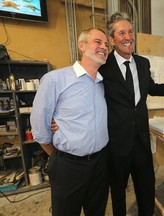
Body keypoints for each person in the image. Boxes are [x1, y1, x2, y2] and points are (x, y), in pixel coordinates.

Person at [99, 12, 164, 215]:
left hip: (141, 140)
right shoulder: (104, 67)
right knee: (118, 193)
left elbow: (153, 88)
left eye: (130, 31)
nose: (128, 37)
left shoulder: (142, 63)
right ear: (112, 39)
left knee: (146, 189)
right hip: (116, 143)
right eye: (121, 33)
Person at [30, 28, 109, 216]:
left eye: (107, 44)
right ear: (82, 46)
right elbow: (39, 126)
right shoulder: (55, 79)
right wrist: (57, 155)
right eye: (98, 42)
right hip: (68, 166)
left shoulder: (102, 83)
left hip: (100, 164)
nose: (104, 47)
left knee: (97, 211)